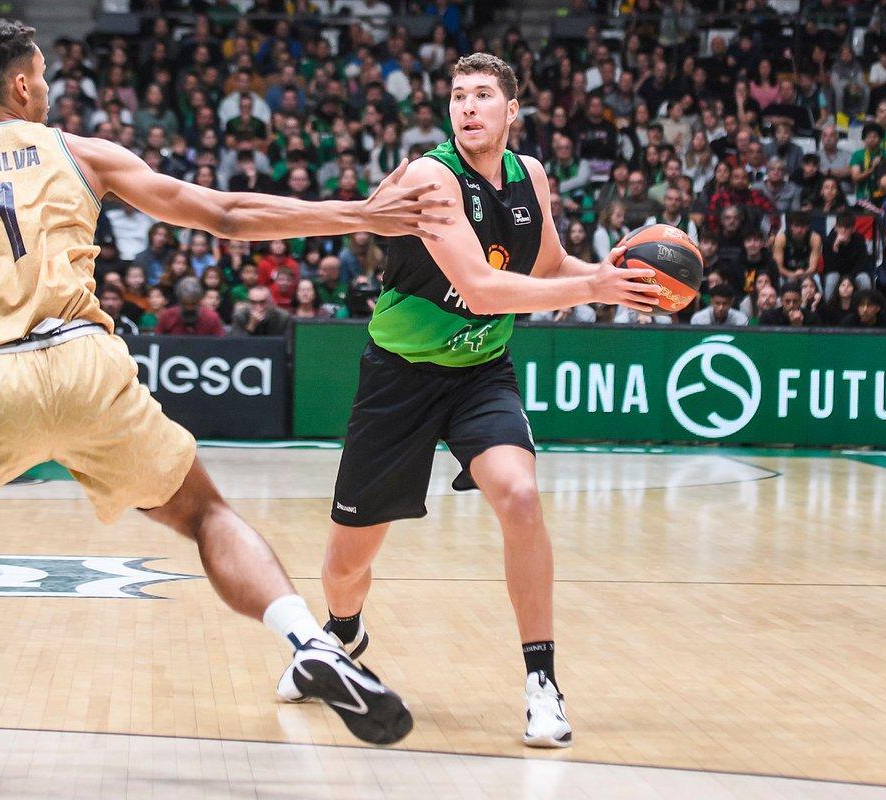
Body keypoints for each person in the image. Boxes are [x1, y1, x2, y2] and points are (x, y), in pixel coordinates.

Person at [0, 18, 455, 786]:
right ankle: (309, 642)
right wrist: (359, 215)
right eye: (46, 78)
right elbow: (225, 215)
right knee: (206, 516)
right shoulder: (81, 152)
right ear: (24, 86)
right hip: (87, 363)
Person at [274, 53, 662, 750]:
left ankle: (542, 682)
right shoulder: (431, 177)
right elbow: (483, 289)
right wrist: (590, 291)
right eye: (458, 96)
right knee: (345, 567)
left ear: (513, 111)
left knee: (519, 495)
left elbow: (547, 267)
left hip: (482, 371)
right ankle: (341, 633)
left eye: (484, 95)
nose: (468, 106)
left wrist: (611, 279)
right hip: (401, 376)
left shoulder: (530, 177)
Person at [821, 213, 872, 298]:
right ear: (836, 228)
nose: (843, 230)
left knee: (864, 279)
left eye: (847, 228)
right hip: (836, 272)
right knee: (831, 279)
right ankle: (828, 307)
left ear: (852, 229)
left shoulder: (859, 239)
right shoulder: (828, 241)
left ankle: (865, 305)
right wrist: (836, 248)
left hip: (854, 273)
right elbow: (829, 267)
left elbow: (862, 264)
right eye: (840, 227)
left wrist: (849, 277)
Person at [155, 276, 224, 336]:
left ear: (199, 301)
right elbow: (157, 342)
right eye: (185, 304)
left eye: (193, 304)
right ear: (179, 301)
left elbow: (220, 346)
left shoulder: (212, 318)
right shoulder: (167, 316)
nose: (189, 308)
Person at [773, 212, 821, 285]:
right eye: (796, 226)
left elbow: (813, 267)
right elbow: (778, 267)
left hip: (806, 273)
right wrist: (792, 274)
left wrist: (803, 274)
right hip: (786, 273)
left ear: (808, 227)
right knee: (779, 280)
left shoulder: (815, 238)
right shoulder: (781, 238)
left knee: (817, 279)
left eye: (803, 226)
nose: (799, 230)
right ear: (791, 226)